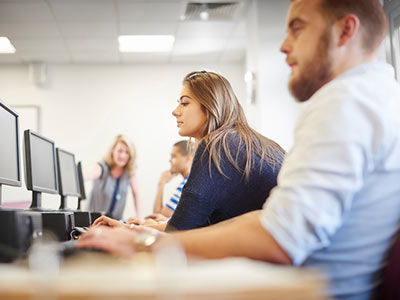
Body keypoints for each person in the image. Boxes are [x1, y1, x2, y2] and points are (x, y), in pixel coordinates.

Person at [77, 0, 400, 299]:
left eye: (297, 28)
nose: (284, 45)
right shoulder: (378, 96)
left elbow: (279, 239)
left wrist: (141, 243)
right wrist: (145, 236)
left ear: (345, 30)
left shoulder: (346, 103)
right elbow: (267, 220)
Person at [92, 70, 285, 231]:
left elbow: (177, 233)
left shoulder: (217, 145)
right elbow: (187, 223)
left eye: (184, 103)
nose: (175, 111)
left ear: (210, 105)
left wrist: (130, 230)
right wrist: (141, 226)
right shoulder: (250, 143)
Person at [84, 134, 141, 220]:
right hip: (93, 222)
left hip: (115, 224)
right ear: (113, 150)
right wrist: (79, 177)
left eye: (127, 152)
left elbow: (136, 193)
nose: (122, 156)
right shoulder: (102, 166)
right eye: (120, 151)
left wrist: (138, 217)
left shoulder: (129, 172)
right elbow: (90, 174)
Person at [151, 140, 193, 220]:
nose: (170, 160)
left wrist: (161, 183)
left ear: (187, 158)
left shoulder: (186, 183)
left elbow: (157, 216)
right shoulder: (188, 181)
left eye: (174, 156)